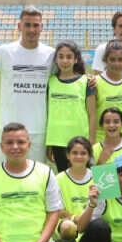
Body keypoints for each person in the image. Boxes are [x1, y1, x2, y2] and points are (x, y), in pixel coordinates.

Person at [0, 7, 54, 164]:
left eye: (35, 25)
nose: (31, 30)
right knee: (4, 173)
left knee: (37, 175)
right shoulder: (5, 52)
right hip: (9, 129)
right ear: (19, 26)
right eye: (27, 25)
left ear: (42, 27)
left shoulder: (51, 55)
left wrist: (90, 78)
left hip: (39, 131)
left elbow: (71, 76)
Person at [46, 41, 97, 172]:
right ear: (56, 59)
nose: (65, 60)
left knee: (84, 176)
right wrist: (49, 144)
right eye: (61, 56)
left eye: (69, 57)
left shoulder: (86, 82)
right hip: (57, 140)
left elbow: (92, 114)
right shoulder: (50, 81)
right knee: (64, 177)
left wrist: (91, 142)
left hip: (80, 140)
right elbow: (48, 113)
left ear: (76, 59)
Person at [55, 136, 94, 242]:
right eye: (75, 153)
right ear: (68, 155)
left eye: (83, 153)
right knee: (67, 227)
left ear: (89, 156)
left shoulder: (98, 176)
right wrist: (75, 218)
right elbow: (58, 210)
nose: (79, 156)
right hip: (70, 222)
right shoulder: (58, 179)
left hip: (93, 220)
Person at [94, 40, 122, 143]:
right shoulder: (95, 83)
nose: (116, 63)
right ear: (105, 60)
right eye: (112, 59)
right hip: (102, 141)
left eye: (120, 59)